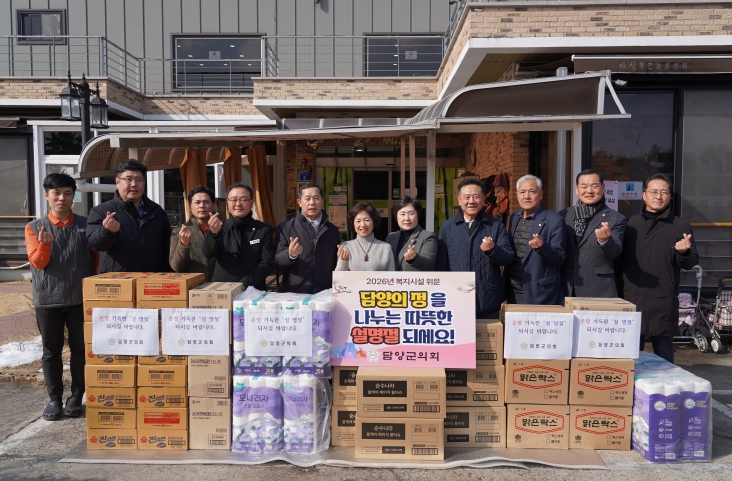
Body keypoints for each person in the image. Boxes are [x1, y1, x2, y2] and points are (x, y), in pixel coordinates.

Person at [25, 174, 95, 421]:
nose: (61, 198)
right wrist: (44, 245)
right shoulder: (34, 227)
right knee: (51, 351)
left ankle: (76, 397)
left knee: (80, 350)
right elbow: (37, 263)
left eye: (67, 193)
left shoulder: (86, 224)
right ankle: (54, 399)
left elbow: (96, 260)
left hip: (79, 298)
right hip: (48, 300)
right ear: (47, 195)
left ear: (73, 196)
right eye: (56, 193)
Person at [620, 173, 698, 363]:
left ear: (669, 196)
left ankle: (666, 383)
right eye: (654, 192)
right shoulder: (629, 224)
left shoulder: (680, 225)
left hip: (662, 300)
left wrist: (684, 252)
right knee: (629, 358)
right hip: (631, 299)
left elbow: (690, 263)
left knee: (665, 358)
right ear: (644, 195)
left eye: (664, 192)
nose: (658, 196)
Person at [437, 178, 513, 318]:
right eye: (467, 197)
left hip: (487, 299)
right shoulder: (447, 228)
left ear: (483, 198)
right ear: (459, 200)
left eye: (476, 196)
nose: (471, 201)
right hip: (457, 298)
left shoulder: (496, 226)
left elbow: (508, 257)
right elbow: (441, 265)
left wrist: (493, 250)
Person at [86, 159, 171, 273]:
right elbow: (94, 244)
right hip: (118, 280)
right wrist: (107, 231)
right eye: (128, 179)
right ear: (117, 182)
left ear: (144, 182)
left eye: (139, 180)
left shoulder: (156, 212)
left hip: (151, 279)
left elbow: (167, 248)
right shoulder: (101, 211)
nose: (134, 184)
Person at [560, 169, 627, 297]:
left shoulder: (616, 218)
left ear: (603, 187)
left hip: (598, 288)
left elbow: (615, 252)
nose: (589, 191)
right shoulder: (564, 215)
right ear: (577, 189)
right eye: (584, 186)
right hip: (566, 287)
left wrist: (605, 241)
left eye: (594, 186)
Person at [505, 175, 565, 305]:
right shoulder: (514, 217)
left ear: (541, 194)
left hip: (540, 293)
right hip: (513, 291)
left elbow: (559, 258)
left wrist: (542, 247)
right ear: (517, 195)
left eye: (532, 191)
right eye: (522, 192)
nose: (526, 196)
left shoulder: (554, 220)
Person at [202, 183, 274, 289]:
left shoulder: (263, 229)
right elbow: (207, 254)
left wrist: (243, 284)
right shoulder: (219, 227)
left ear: (252, 203)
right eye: (233, 199)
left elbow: (267, 263)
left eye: (244, 199)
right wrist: (213, 233)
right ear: (227, 202)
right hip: (222, 288)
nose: (238, 204)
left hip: (253, 289)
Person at [274, 182, 340, 293]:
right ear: (299, 202)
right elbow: (277, 259)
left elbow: (335, 262)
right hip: (296, 291)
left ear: (322, 201)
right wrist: (291, 254)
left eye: (316, 198)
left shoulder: (332, 230)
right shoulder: (285, 228)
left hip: (325, 291)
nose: (312, 203)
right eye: (307, 199)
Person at [170, 185, 217, 281]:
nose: (201, 206)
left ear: (214, 205)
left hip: (222, 285)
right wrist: (184, 244)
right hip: (194, 286)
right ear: (190, 206)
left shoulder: (224, 229)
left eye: (206, 202)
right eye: (197, 202)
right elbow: (176, 267)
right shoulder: (179, 232)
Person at [335, 202, 395, 271]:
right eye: (358, 221)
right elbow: (339, 276)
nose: (363, 225)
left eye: (366, 220)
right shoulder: (345, 247)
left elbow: (391, 276)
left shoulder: (386, 248)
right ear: (353, 224)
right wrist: (343, 261)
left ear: (373, 222)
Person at [385, 196, 437, 271]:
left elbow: (430, 263)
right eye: (402, 214)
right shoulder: (391, 237)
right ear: (396, 216)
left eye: (411, 213)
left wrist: (414, 258)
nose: (407, 218)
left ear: (418, 215)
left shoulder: (427, 237)